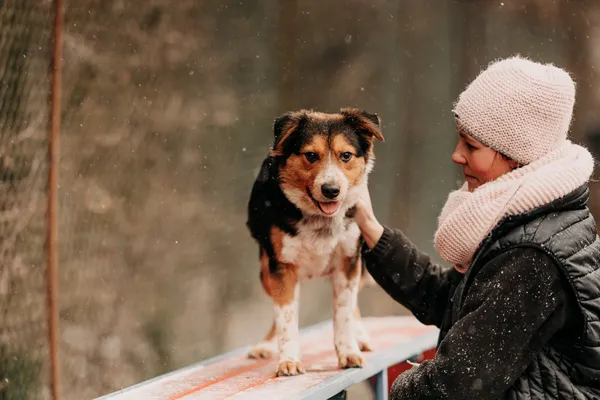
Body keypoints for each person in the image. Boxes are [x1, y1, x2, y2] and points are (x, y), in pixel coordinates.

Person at [355, 56, 600, 399]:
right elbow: (449, 300)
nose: (457, 155)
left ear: (516, 156)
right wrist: (372, 232)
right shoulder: (527, 221)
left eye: (471, 144)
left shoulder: (532, 257)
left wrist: (394, 389)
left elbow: (455, 385)